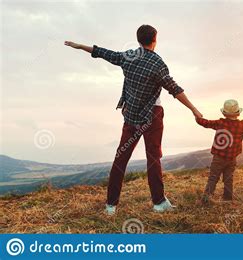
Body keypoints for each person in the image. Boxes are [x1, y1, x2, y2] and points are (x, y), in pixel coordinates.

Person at [64, 24, 202, 215]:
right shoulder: (158, 64)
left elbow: (105, 53)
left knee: (120, 159)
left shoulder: (130, 57)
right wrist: (194, 109)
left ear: (138, 39)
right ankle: (159, 202)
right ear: (155, 39)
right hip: (152, 116)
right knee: (153, 158)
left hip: (131, 116)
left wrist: (80, 46)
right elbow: (175, 89)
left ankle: (111, 206)